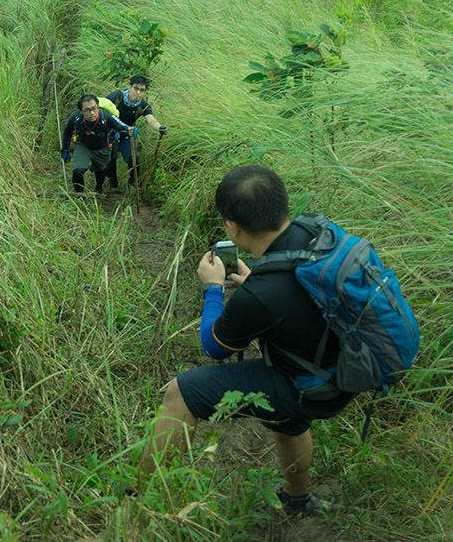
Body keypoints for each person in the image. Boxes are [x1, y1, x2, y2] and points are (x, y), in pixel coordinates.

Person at [139, 165, 355, 515]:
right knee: (289, 419)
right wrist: (254, 281)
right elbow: (298, 298)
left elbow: (214, 347)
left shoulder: (259, 296)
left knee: (180, 393)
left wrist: (213, 288)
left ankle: (145, 510)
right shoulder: (311, 231)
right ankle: (298, 501)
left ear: (232, 226)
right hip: (342, 370)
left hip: (309, 387)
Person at [104, 75, 167, 191]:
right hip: (110, 131)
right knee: (110, 158)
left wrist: (160, 128)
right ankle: (112, 185)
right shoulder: (116, 97)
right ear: (129, 87)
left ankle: (133, 186)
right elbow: (101, 108)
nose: (138, 92)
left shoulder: (143, 106)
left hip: (127, 133)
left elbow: (150, 119)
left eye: (142, 90)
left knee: (133, 160)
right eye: (136, 88)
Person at [61, 94, 129, 195]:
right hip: (83, 145)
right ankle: (80, 195)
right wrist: (65, 149)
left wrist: (129, 129)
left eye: (94, 108)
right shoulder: (76, 118)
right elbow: (67, 131)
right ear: (81, 111)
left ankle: (98, 188)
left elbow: (120, 125)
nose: (92, 113)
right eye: (87, 110)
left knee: (101, 169)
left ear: (98, 107)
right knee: (78, 170)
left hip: (103, 147)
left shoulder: (106, 116)